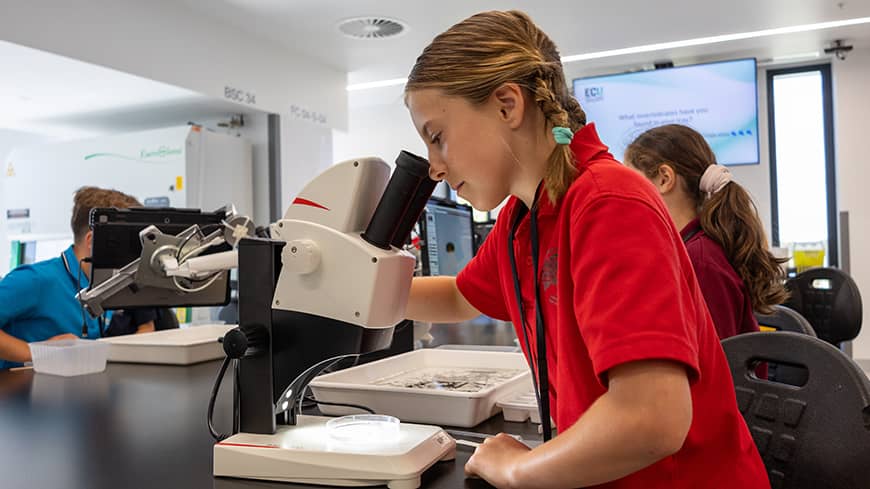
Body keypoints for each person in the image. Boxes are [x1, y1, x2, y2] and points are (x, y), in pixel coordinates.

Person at [402, 10, 768, 489]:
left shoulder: (608, 202)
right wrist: (356, 291)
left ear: (508, 105)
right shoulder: (524, 217)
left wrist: (516, 469)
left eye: (437, 137)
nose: (434, 167)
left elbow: (650, 418)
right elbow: (457, 296)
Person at [624, 124, 788, 339]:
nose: (626, 194)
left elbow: (716, 361)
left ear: (664, 178)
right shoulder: (691, 249)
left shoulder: (700, 260)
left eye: (631, 181)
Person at [0, 186, 156, 369]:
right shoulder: (36, 280)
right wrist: (35, 352)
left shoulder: (105, 287)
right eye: (128, 244)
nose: (135, 255)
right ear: (92, 241)